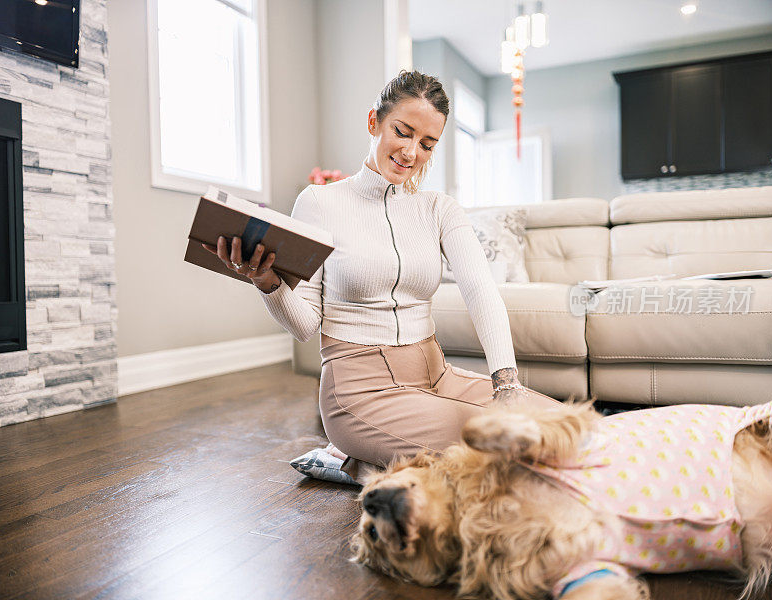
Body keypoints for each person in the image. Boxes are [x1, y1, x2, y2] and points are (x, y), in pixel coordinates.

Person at [203, 70, 559, 481]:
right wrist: (267, 283)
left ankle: (365, 463)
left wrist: (507, 385)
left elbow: (481, 292)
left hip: (436, 375)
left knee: (565, 429)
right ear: (374, 122)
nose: (411, 153)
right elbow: (305, 326)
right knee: (505, 453)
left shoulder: (438, 208)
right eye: (402, 132)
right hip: (360, 390)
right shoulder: (319, 202)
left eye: (427, 144)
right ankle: (363, 452)